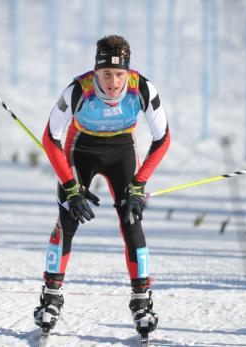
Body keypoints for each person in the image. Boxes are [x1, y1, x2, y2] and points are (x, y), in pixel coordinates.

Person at [33, 35, 170, 336]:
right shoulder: (78, 89)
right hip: (81, 150)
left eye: (119, 74)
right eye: (106, 74)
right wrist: (70, 186)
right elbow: (50, 137)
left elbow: (162, 139)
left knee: (131, 220)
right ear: (96, 71)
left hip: (121, 151)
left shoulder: (142, 88)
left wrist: (139, 183)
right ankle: (51, 295)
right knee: (67, 216)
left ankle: (142, 301)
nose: (113, 82)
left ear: (127, 73)